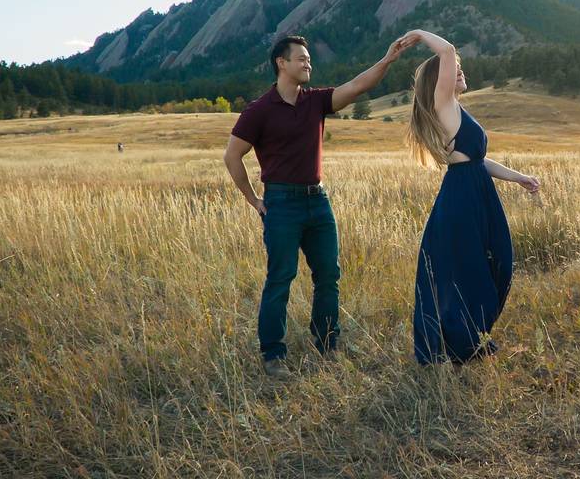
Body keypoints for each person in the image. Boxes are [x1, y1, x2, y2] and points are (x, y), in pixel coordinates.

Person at [224, 33, 415, 379]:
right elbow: (232, 155)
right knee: (280, 278)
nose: (308, 63)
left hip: (318, 201)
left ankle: (327, 345)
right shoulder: (260, 110)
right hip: (281, 204)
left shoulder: (317, 101)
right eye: (301, 58)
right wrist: (253, 199)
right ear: (281, 63)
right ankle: (273, 355)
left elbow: (357, 86)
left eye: (309, 59)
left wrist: (388, 60)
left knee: (329, 275)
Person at [404, 30, 540, 365]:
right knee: (470, 272)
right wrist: (420, 35)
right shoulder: (444, 105)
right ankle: (463, 346)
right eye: (455, 69)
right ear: (441, 82)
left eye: (460, 68)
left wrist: (518, 177)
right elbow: (448, 50)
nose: (460, 70)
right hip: (462, 199)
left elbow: (477, 161)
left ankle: (469, 341)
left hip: (474, 193)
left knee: (489, 265)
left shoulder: (456, 111)